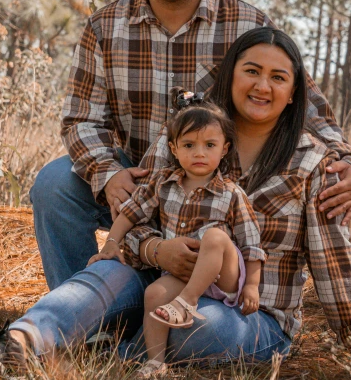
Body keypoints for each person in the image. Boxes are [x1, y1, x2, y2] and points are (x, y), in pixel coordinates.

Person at [0, 27, 351, 378]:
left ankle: (104, 354)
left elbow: (333, 262)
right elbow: (135, 218)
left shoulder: (315, 163)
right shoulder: (185, 137)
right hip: (158, 284)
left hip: (250, 313)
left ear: (294, 91)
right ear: (230, 77)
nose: (263, 86)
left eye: (278, 77)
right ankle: (18, 343)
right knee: (103, 276)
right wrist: (155, 249)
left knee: (200, 325)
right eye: (251, 71)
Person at [30, 0, 351, 293]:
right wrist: (107, 174)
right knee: (53, 184)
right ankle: (78, 317)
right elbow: (82, 119)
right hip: (136, 179)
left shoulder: (247, 24)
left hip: (212, 185)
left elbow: (305, 109)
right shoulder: (106, 26)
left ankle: (190, 302)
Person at [89, 91, 265, 377]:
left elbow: (251, 244)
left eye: (209, 145)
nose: (199, 153)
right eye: (189, 144)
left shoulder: (232, 193)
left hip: (224, 275)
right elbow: (130, 213)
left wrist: (252, 286)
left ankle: (186, 303)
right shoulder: (162, 184)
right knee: (155, 292)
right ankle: (155, 363)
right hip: (183, 273)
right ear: (173, 148)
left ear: (224, 148)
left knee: (215, 237)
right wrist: (111, 242)